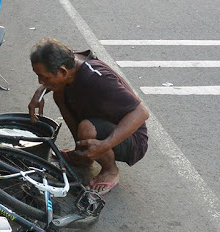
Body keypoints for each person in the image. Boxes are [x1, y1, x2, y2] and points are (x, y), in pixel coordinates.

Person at [28, 38, 150, 196]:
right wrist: (40, 92)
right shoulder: (69, 60)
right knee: (60, 94)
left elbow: (141, 113)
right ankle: (84, 154)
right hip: (103, 119)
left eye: (44, 77)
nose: (40, 81)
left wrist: (105, 145)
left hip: (133, 138)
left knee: (86, 128)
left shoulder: (97, 79)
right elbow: (55, 79)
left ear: (63, 71)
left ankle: (110, 170)